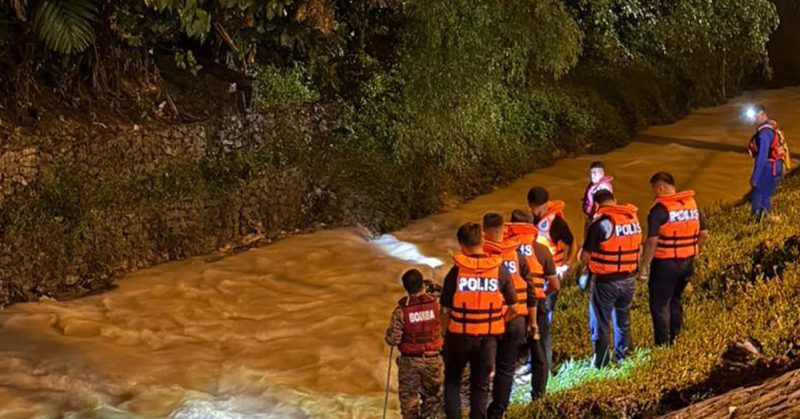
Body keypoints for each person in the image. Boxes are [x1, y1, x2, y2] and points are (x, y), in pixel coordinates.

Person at [440, 222, 517, 419]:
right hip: (487, 339)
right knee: (480, 387)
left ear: (461, 245)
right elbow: (514, 308)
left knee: (452, 382)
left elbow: (445, 309)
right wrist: (497, 323)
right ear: (483, 241)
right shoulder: (499, 270)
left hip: (458, 337)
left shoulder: (456, 272)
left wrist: (444, 333)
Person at [639, 172, 709, 346]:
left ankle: (663, 346)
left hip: (665, 263)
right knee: (675, 299)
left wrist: (644, 266)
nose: (654, 194)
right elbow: (704, 233)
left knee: (660, 305)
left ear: (660, 187)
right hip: (687, 263)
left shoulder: (659, 210)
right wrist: (694, 252)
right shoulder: (692, 205)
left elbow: (652, 240)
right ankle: (676, 338)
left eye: (654, 190)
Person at [481, 213, 535, 419]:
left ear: (484, 231)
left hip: (491, 320)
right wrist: (533, 322)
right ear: (504, 230)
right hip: (516, 319)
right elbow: (530, 291)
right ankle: (498, 412)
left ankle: (479, 410)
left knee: (483, 368)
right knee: (506, 369)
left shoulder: (481, 257)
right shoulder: (517, 256)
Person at [579, 190, 640, 368]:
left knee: (601, 323)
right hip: (629, 279)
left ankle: (602, 362)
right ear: (615, 200)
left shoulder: (600, 223)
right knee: (623, 321)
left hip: (606, 282)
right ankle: (625, 356)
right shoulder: (632, 219)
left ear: (597, 205)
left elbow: (585, 256)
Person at [505, 209, 559, 401]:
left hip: (512, 310)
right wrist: (541, 294)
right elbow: (555, 284)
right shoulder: (542, 249)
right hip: (537, 305)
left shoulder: (503, 250)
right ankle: (539, 396)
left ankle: (504, 399)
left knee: (506, 356)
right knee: (540, 352)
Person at [385, 269, 444, 418]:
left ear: (406, 288)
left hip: (409, 361)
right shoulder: (436, 304)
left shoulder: (401, 311)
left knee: (409, 401)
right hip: (433, 359)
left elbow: (394, 340)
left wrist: (388, 334)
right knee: (432, 399)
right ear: (422, 285)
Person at [527, 186, 575, 369]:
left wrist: (568, 264)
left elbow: (573, 242)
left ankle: (543, 365)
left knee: (544, 321)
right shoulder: (531, 220)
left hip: (550, 277)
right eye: (533, 208)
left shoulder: (556, 222)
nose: (536, 211)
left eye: (538, 207)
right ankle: (533, 360)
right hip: (534, 277)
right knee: (534, 320)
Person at [748, 105, 787, 220]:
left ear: (762, 115)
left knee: (757, 194)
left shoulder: (764, 134)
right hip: (777, 165)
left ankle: (758, 218)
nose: (753, 119)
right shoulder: (771, 128)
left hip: (769, 167)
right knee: (765, 194)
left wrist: (755, 177)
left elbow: (762, 156)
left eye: (754, 116)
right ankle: (765, 216)